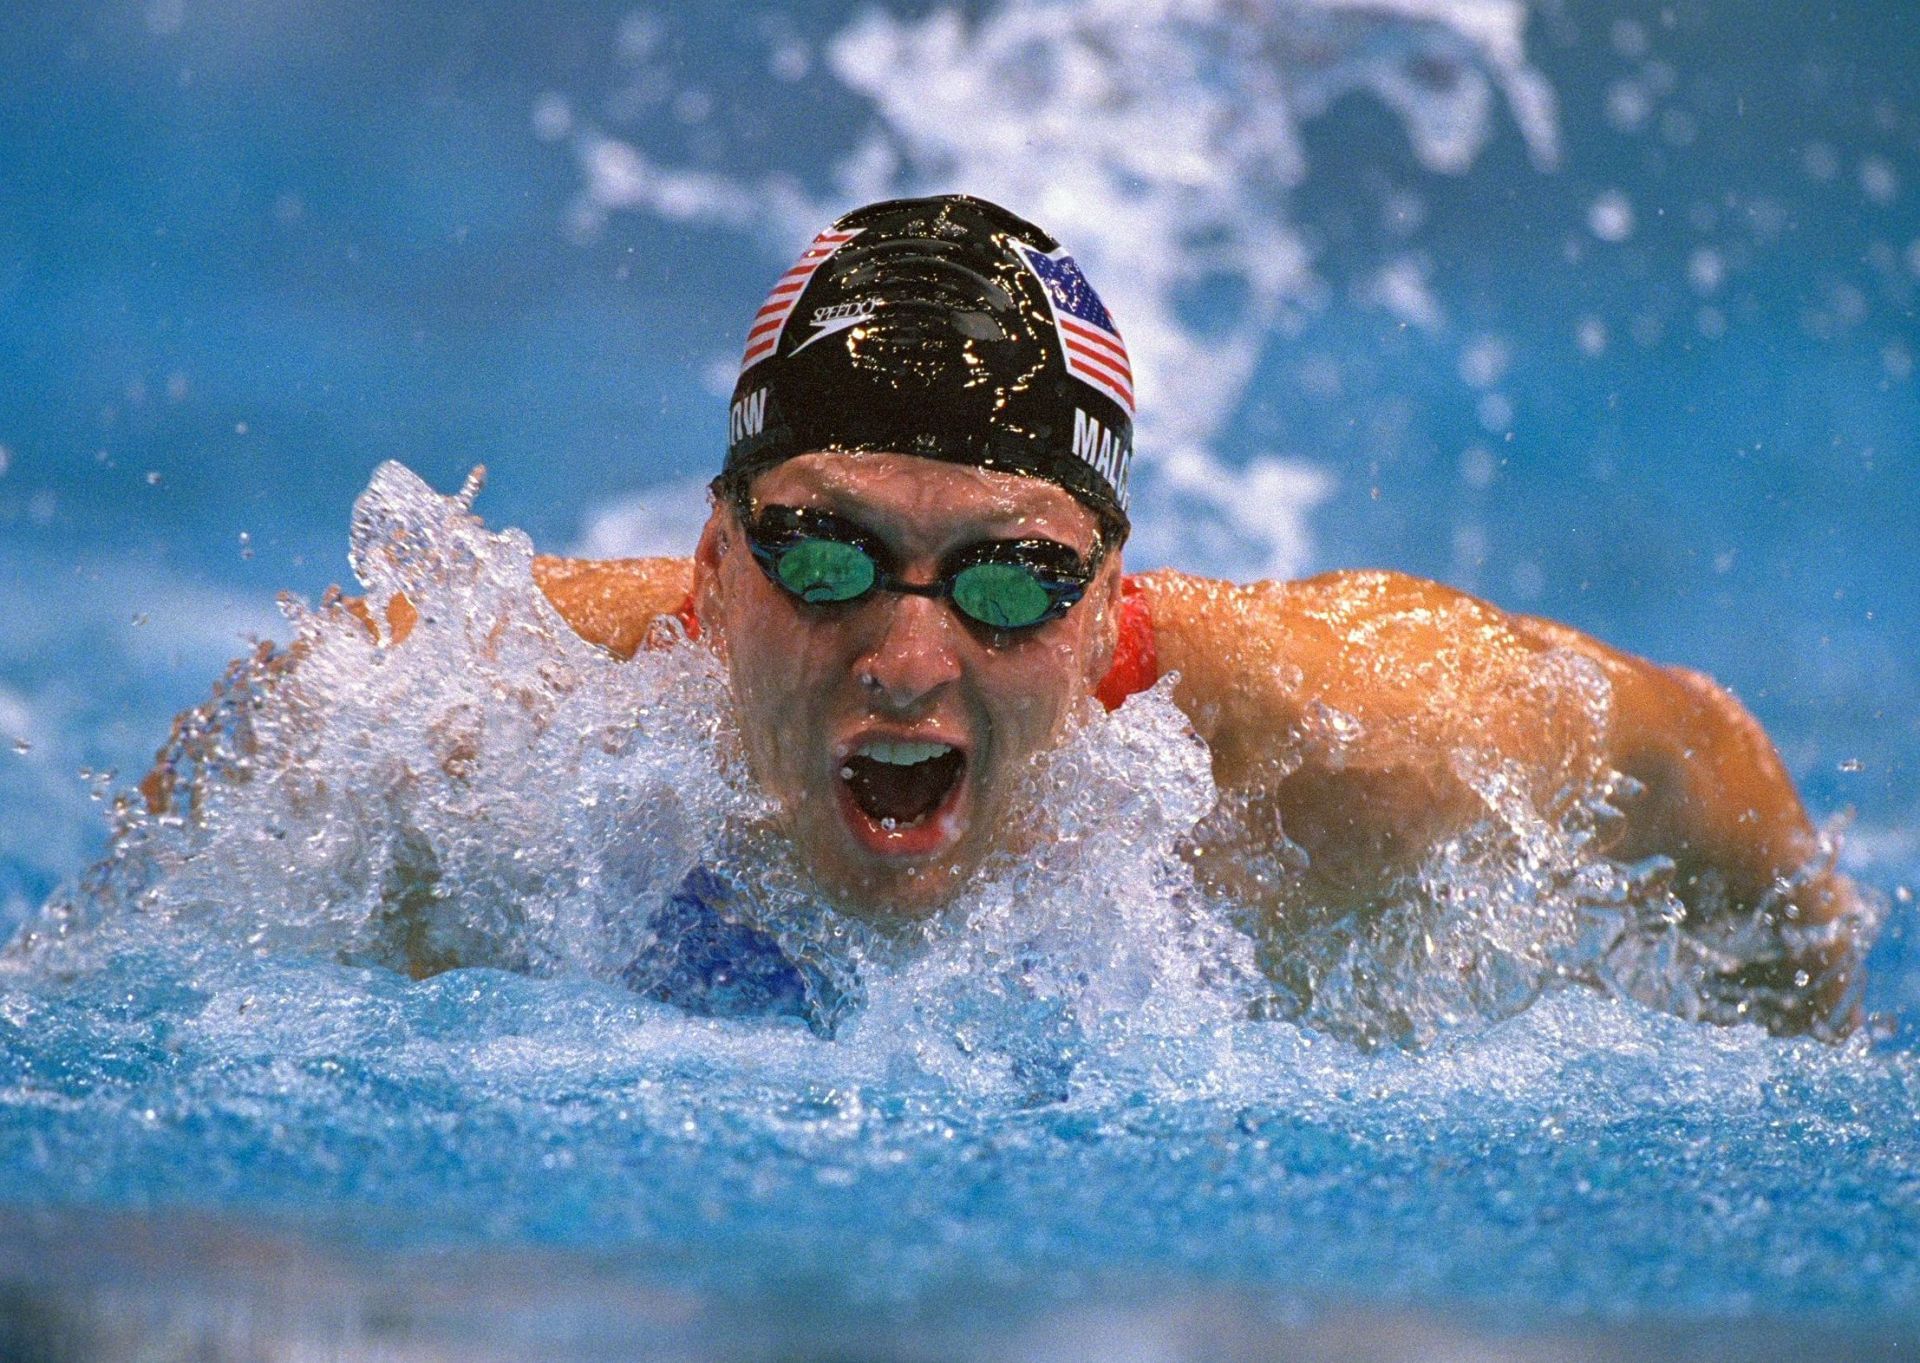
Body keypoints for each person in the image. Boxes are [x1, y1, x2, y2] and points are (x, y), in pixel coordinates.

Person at [147, 193, 1865, 1039]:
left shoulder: (1353, 751)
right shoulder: (454, 725)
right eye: (826, 554)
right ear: (711, 574)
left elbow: (1698, 757)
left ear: (1110, 601)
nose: (907, 659)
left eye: (1009, 575)